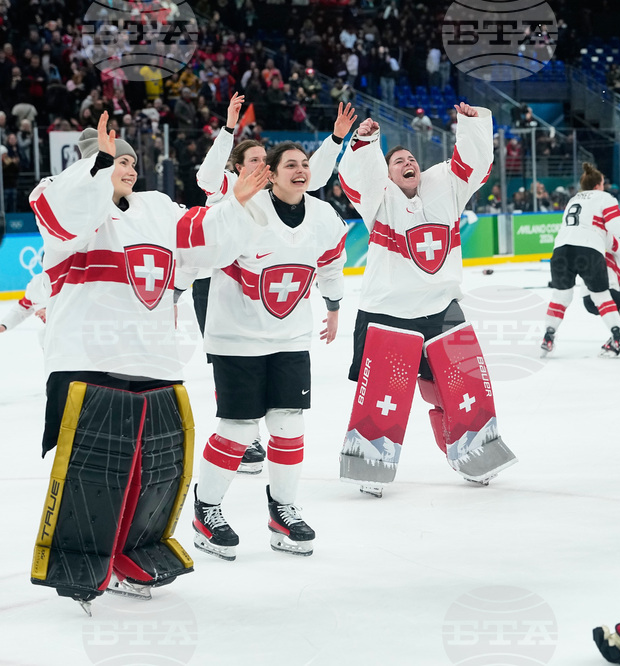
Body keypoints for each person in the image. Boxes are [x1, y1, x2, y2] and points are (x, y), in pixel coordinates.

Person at [28, 112, 268, 612]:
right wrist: (96, 164)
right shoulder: (60, 196)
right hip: (88, 357)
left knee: (152, 468)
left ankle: (133, 549)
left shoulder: (158, 208)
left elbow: (202, 239)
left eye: (132, 159)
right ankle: (84, 554)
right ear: (93, 161)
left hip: (154, 360)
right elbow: (64, 215)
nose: (129, 165)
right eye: (117, 158)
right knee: (97, 473)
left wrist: (235, 205)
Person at [336, 102, 516, 498]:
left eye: (411, 157)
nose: (407, 162)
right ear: (386, 172)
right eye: (397, 160)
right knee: (384, 395)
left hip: (442, 307)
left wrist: (468, 125)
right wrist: (365, 142)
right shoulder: (378, 198)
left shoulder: (445, 186)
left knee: (451, 391)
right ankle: (370, 461)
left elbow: (475, 164)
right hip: (388, 312)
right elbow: (355, 181)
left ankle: (472, 452)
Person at [192, 137, 349, 561]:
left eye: (304, 164)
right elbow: (204, 253)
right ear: (272, 174)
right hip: (236, 339)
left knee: (288, 424)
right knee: (240, 431)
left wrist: (333, 306)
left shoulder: (323, 215)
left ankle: (283, 510)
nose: (300, 170)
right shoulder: (247, 208)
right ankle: (206, 509)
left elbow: (333, 262)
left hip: (290, 338)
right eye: (290, 165)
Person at [541, 163, 620, 358]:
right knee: (601, 296)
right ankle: (617, 336)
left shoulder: (573, 199)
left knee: (561, 297)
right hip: (589, 249)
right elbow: (616, 227)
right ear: (598, 184)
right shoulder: (604, 197)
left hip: (561, 248)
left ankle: (548, 336)